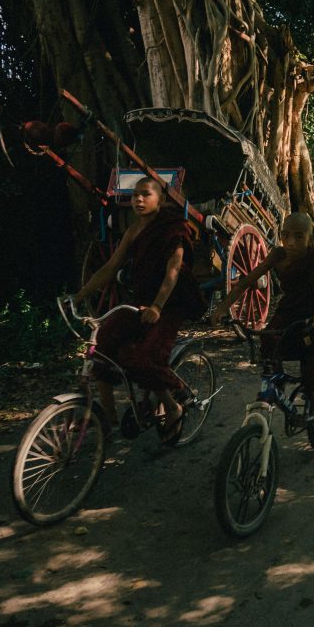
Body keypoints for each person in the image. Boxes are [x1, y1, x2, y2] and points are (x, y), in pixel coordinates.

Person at [211, 212, 314, 470]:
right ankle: (277, 388)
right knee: (268, 343)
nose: (290, 242)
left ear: (310, 238)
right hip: (291, 313)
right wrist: (224, 307)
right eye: (286, 236)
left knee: (312, 378)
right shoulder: (278, 256)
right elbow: (246, 282)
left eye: (298, 237)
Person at [72, 176, 206, 444]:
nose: (139, 199)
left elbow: (173, 270)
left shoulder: (173, 229)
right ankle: (106, 420)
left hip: (168, 305)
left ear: (161, 200)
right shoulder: (134, 230)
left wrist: (157, 306)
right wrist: (79, 295)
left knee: (144, 360)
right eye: (135, 195)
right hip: (139, 303)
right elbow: (110, 268)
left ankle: (173, 405)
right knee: (103, 347)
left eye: (146, 194)